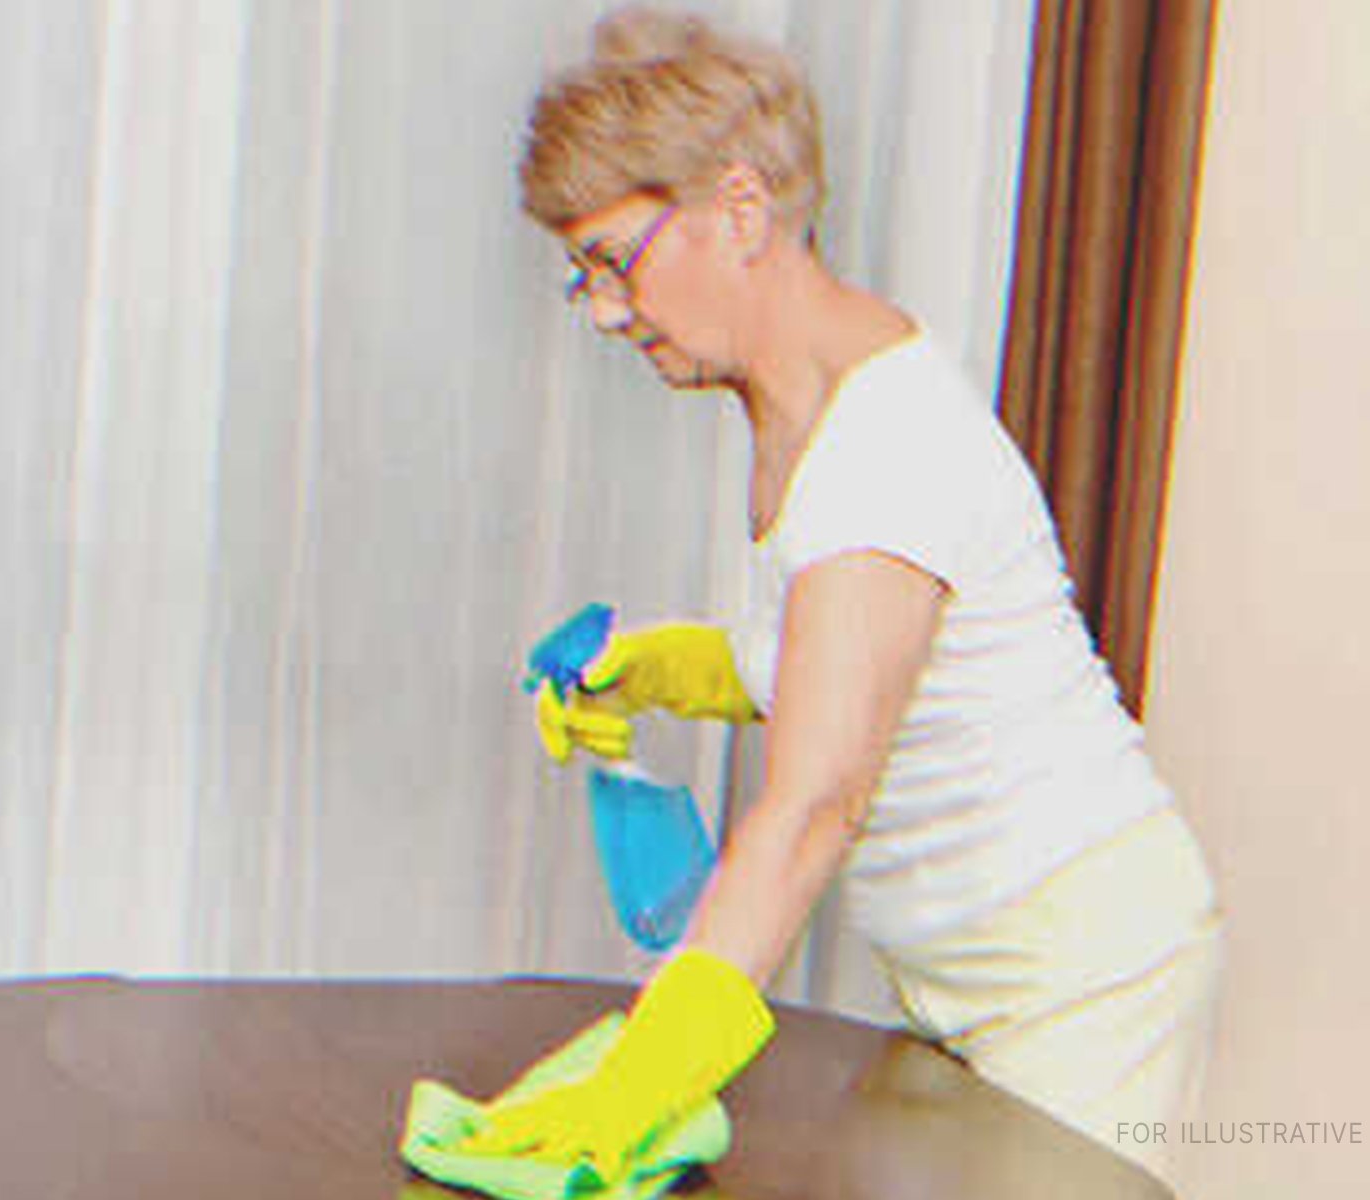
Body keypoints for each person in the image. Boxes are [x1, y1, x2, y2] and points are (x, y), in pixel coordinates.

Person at [458, 6, 1224, 1190]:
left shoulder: (887, 451)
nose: (606, 311)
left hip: (1082, 966)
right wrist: (660, 667)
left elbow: (817, 805)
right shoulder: (794, 401)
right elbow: (833, 657)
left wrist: (646, 1078)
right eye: (585, 276)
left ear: (742, 208)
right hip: (971, 956)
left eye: (616, 260)